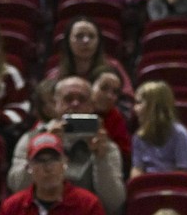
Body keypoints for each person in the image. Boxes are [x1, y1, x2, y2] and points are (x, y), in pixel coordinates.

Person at [7, 77, 123, 213]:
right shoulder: (31, 139)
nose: (75, 104)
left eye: (82, 99)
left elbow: (113, 204)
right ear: (55, 104)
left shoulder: (106, 146)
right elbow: (18, 188)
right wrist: (46, 144)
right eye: (68, 99)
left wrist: (101, 159)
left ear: (92, 106)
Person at [0, 134, 104, 215]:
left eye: (54, 160)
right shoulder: (13, 207)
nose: (48, 167)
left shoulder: (88, 205)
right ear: (29, 166)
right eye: (40, 160)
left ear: (64, 162)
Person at [46, 19, 134, 101]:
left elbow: (128, 101)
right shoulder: (56, 75)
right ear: (68, 41)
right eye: (79, 36)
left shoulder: (114, 67)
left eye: (91, 36)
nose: (86, 41)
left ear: (98, 41)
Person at [129, 81, 187, 177]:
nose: (135, 109)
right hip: (148, 187)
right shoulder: (139, 137)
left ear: (153, 106)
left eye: (139, 103)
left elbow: (185, 172)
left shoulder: (180, 134)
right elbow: (137, 168)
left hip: (174, 186)